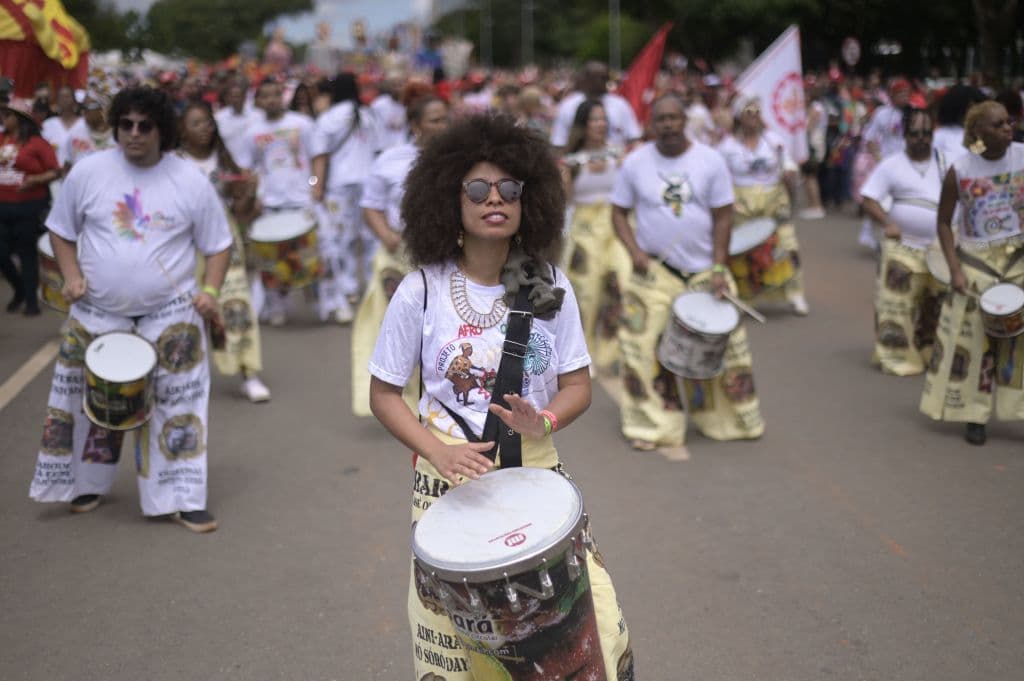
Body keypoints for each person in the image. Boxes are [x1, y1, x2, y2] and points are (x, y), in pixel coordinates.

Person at [368, 113, 634, 681]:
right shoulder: (420, 290)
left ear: (528, 201)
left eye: (510, 189)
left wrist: (546, 420)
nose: (496, 199)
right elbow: (385, 394)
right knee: (464, 655)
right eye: (478, 188)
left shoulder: (551, 286)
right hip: (447, 483)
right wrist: (435, 451)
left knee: (594, 635)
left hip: (538, 477)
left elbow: (578, 387)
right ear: (449, 198)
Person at [28, 86, 232, 532]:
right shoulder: (88, 172)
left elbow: (219, 245)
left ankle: (179, 496)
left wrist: (211, 293)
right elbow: (61, 231)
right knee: (82, 402)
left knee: (177, 406)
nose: (134, 134)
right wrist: (71, 276)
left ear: (163, 130)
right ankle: (84, 485)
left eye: (145, 126)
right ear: (116, 126)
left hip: (171, 315)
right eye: (126, 125)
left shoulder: (189, 180)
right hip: (97, 313)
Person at [611, 93, 765, 452]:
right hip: (653, 270)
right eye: (660, 119)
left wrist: (719, 264)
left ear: (685, 121)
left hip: (703, 272)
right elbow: (618, 212)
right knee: (640, 346)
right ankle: (653, 426)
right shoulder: (635, 163)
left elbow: (724, 215)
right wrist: (634, 252)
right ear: (651, 124)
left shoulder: (710, 161)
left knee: (729, 349)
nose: (667, 125)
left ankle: (729, 422)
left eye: (673, 118)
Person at [921, 101, 1024, 446]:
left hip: (1019, 261)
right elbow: (943, 222)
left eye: (1009, 122)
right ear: (979, 131)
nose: (1008, 128)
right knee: (975, 343)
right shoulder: (961, 169)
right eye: (998, 125)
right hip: (977, 262)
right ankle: (973, 415)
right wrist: (955, 270)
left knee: (1019, 345)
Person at [351, 93, 449, 417]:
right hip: (398, 256)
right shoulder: (391, 159)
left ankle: (435, 400)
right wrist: (386, 236)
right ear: (415, 125)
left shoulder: (461, 159)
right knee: (391, 327)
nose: (443, 125)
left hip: (444, 254)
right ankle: (392, 402)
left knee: (437, 327)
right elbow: (371, 205)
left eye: (446, 118)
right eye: (435, 120)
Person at [178, 100, 271, 403]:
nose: (204, 128)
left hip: (223, 240)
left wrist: (250, 191)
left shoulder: (226, 161)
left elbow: (242, 214)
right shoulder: (172, 163)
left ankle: (249, 373)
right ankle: (185, 376)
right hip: (183, 242)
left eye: (207, 122)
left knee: (235, 303)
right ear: (182, 130)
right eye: (195, 123)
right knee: (187, 307)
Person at [860, 108, 946, 376]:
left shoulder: (947, 163)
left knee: (938, 302)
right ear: (904, 135)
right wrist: (887, 223)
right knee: (896, 302)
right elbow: (869, 199)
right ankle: (895, 354)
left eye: (926, 133)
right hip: (902, 246)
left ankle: (927, 349)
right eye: (914, 133)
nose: (921, 139)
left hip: (938, 246)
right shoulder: (891, 164)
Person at [717, 94, 808, 315]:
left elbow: (788, 163)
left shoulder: (773, 140)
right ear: (740, 116)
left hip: (773, 201)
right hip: (742, 205)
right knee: (742, 251)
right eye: (748, 113)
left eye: (756, 112)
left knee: (787, 245)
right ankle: (745, 297)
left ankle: (796, 294)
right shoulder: (728, 145)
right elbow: (717, 173)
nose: (753, 117)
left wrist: (789, 173)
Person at [238, 78, 319, 327]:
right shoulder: (252, 132)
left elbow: (317, 157)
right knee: (272, 260)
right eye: (265, 95)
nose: (271, 99)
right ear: (258, 101)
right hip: (271, 203)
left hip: (302, 200)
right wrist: (255, 196)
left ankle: (323, 306)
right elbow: (248, 168)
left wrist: (315, 187)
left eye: (275, 94)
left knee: (310, 255)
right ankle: (276, 308)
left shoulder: (302, 123)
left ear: (282, 96)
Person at [561, 98, 629, 374]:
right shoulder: (570, 161)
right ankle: (582, 354)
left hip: (615, 227)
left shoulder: (619, 155)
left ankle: (612, 350)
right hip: (584, 231)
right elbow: (565, 203)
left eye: (603, 119)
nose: (600, 124)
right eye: (593, 119)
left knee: (622, 284)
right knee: (586, 293)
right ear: (582, 125)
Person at [309, 73, 379, 323]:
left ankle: (345, 292)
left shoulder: (328, 118)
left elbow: (320, 157)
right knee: (371, 240)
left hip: (339, 187)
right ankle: (375, 292)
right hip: (370, 183)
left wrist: (316, 186)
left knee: (340, 240)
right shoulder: (369, 115)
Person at [0, 99, 60, 315]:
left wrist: (34, 180)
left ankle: (32, 301)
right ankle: (19, 290)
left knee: (26, 253)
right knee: (2, 254)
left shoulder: (37, 143)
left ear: (21, 119)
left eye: (8, 115)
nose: (3, 118)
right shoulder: (1, 139)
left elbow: (55, 171)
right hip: (2, 206)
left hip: (28, 206)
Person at [549, 61, 641, 151]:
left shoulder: (620, 104)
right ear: (585, 78)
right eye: (596, 77)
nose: (601, 81)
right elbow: (558, 142)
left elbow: (634, 138)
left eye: (605, 77)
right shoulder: (568, 106)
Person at [58, 90, 114, 170]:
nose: (83, 111)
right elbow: (66, 166)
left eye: (87, 107)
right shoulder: (76, 133)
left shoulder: (119, 136)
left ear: (103, 109)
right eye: (82, 107)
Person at [40, 85, 80, 157]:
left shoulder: (84, 123)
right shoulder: (48, 124)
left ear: (74, 100)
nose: (64, 100)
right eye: (61, 97)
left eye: (67, 96)